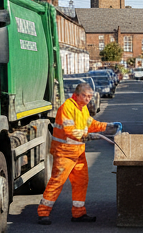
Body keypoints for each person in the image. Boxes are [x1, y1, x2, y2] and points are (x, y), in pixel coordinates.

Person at [37, 82, 120, 224]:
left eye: (90, 96)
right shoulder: (67, 108)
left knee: (81, 182)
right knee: (57, 181)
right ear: (76, 95)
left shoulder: (83, 109)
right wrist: (89, 136)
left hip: (78, 153)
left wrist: (107, 126)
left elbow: (90, 124)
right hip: (64, 153)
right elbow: (70, 131)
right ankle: (43, 212)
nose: (88, 99)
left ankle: (78, 213)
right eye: (85, 96)